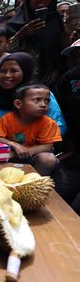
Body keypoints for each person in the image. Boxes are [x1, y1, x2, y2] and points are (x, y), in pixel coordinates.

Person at [0, 52, 66, 135]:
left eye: (14, 71)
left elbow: (59, 127)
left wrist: (31, 142)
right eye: (3, 71)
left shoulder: (41, 94)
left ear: (26, 72)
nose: (7, 75)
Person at [7, 0, 67, 85]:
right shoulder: (15, 23)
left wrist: (57, 69)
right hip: (20, 81)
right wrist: (22, 34)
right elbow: (5, 51)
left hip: (49, 82)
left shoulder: (59, 22)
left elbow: (64, 50)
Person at [0, 85, 61, 176]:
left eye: (47, 101)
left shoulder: (48, 123)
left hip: (34, 157)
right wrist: (14, 145)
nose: (43, 104)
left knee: (48, 159)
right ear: (18, 104)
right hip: (11, 154)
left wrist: (24, 151)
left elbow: (47, 147)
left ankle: (34, 183)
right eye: (37, 100)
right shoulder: (7, 118)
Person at [55, 39, 80, 212]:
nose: (77, 59)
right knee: (60, 197)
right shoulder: (68, 78)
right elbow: (62, 110)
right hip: (73, 148)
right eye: (73, 55)